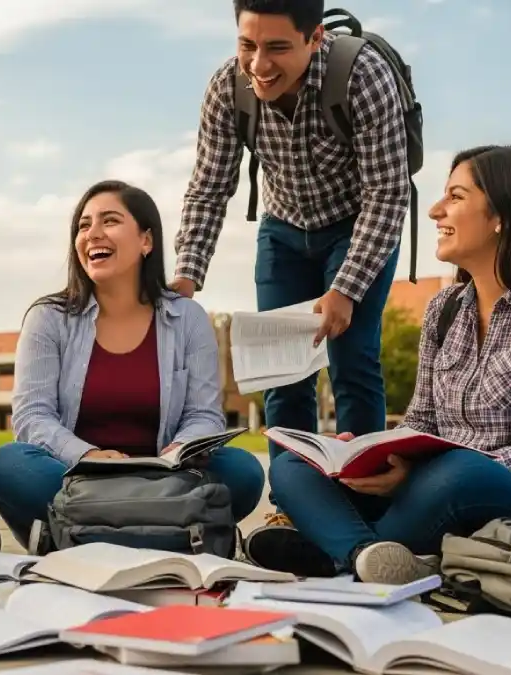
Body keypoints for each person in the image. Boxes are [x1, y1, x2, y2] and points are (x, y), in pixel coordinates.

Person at [248, 145, 511, 584]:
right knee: (295, 464)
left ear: (504, 215)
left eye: (456, 197)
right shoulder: (445, 308)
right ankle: (368, 555)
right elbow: (423, 420)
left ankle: (336, 553)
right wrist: (368, 456)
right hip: (437, 493)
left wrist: (428, 472)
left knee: (463, 472)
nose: (435, 211)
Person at [170, 0, 413, 555]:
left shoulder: (364, 76)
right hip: (283, 230)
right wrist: (186, 276)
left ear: (315, 39)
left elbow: (388, 193)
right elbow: (209, 186)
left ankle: (363, 505)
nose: (259, 64)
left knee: (353, 362)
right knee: (282, 377)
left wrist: (346, 288)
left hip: (358, 221)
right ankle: (294, 506)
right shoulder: (226, 88)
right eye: (247, 45)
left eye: (277, 47)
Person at [0, 179, 266, 551]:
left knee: (244, 470)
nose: (92, 234)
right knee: (8, 464)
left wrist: (179, 449)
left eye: (109, 221)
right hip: (75, 478)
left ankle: (76, 538)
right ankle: (170, 535)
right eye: (83, 226)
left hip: (164, 479)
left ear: (146, 241)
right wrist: (88, 456)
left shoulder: (189, 318)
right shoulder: (48, 317)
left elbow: (204, 414)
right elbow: (32, 417)